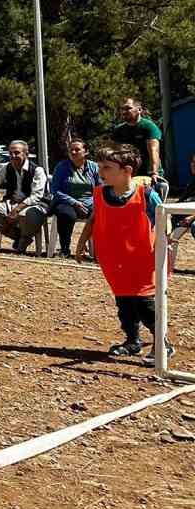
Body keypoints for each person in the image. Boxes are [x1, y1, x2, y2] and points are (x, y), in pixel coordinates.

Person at [74, 145, 175, 362]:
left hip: (143, 261)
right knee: (125, 304)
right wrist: (82, 242)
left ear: (127, 170)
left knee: (146, 306)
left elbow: (163, 219)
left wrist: (163, 243)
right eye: (100, 167)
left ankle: (162, 344)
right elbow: (93, 219)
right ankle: (132, 341)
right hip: (115, 262)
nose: (101, 172)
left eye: (107, 167)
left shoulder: (146, 194)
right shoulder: (100, 194)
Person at [0, 139, 49, 254]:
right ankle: (20, 237)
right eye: (10, 153)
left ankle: (22, 242)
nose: (12, 156)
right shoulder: (7, 167)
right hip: (13, 202)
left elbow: (37, 196)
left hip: (36, 205)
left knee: (25, 214)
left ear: (26, 154)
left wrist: (16, 210)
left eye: (16, 152)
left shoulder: (37, 170)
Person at [50, 138, 101, 257]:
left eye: (77, 150)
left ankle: (98, 250)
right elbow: (55, 190)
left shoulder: (94, 167)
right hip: (66, 201)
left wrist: (88, 203)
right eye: (70, 150)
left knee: (102, 213)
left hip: (89, 202)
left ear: (86, 152)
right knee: (66, 214)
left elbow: (100, 189)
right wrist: (74, 202)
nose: (73, 152)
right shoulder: (61, 167)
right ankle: (64, 249)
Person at [109, 98, 165, 195]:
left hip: (148, 173)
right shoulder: (118, 130)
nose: (124, 111)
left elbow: (153, 151)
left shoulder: (148, 126)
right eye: (122, 109)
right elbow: (114, 153)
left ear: (139, 110)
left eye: (128, 108)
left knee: (151, 205)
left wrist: (154, 173)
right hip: (128, 173)